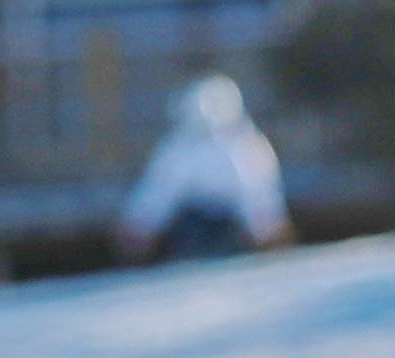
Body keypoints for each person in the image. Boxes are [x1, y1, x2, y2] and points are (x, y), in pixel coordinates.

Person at [115, 75, 290, 262]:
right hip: (194, 238)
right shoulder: (181, 148)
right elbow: (155, 200)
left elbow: (260, 204)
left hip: (228, 240)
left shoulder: (245, 146)